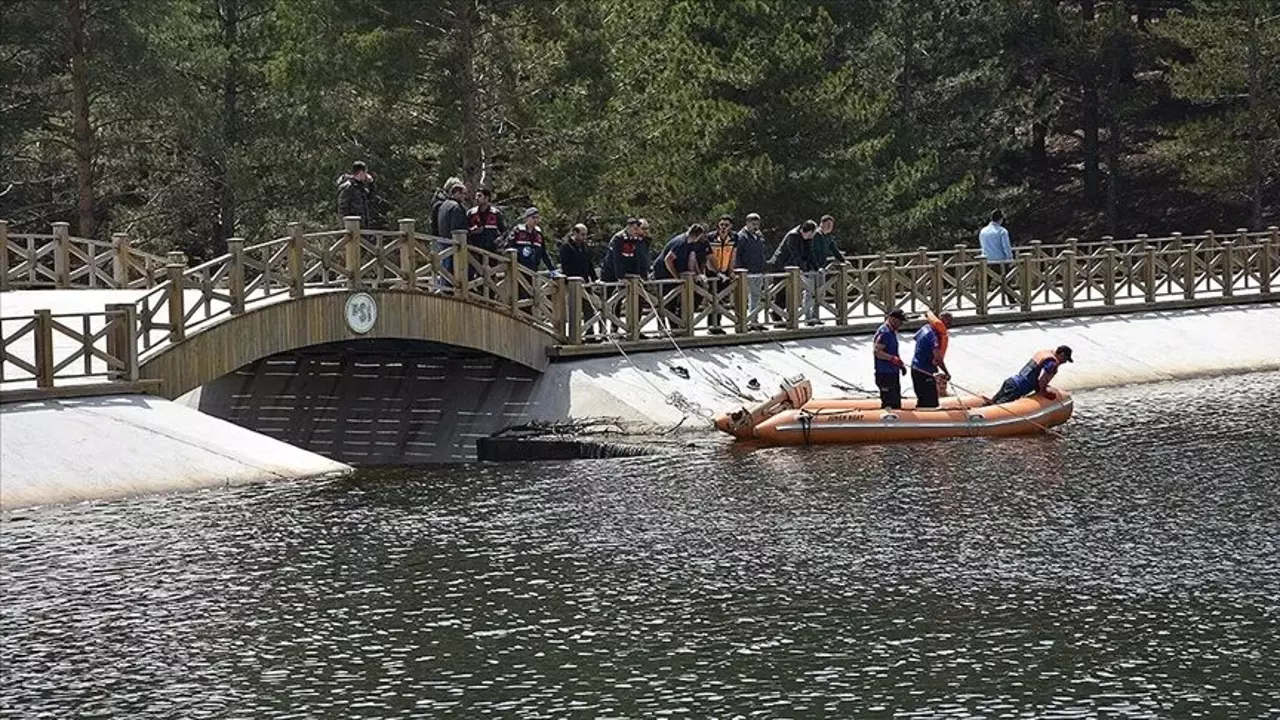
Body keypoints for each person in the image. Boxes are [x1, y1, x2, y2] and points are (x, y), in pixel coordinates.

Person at [768, 220, 820, 325]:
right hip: (781, 266)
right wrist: (803, 269)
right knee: (781, 292)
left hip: (791, 268)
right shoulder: (793, 236)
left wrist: (816, 268)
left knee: (789, 293)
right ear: (808, 231)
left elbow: (809, 253)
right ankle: (776, 314)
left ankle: (782, 315)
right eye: (812, 234)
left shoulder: (807, 238)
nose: (812, 237)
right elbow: (795, 254)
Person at [990, 345, 1074, 404]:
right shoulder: (1052, 363)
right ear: (1062, 355)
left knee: (993, 402)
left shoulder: (1044, 353)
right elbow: (1042, 381)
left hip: (1010, 382)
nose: (1064, 362)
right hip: (1017, 389)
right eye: (1065, 359)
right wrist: (1044, 392)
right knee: (1000, 407)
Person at [910, 311, 953, 408]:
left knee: (922, 398)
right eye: (948, 323)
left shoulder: (925, 328)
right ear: (941, 321)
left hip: (916, 367)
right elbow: (938, 358)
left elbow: (915, 337)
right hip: (924, 371)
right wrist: (946, 372)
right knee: (931, 402)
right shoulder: (933, 337)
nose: (950, 326)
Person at [735, 212, 767, 330]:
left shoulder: (759, 236)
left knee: (756, 298)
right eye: (753, 224)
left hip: (758, 271)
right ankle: (744, 322)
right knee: (744, 298)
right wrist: (740, 270)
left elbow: (762, 252)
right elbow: (737, 255)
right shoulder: (741, 236)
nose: (756, 227)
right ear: (747, 223)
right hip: (746, 273)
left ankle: (754, 321)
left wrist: (764, 267)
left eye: (757, 224)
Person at [978, 209, 1016, 307]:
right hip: (1000, 261)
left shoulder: (983, 231)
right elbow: (1006, 247)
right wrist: (1010, 259)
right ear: (1000, 219)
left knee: (986, 283)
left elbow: (982, 246)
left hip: (986, 260)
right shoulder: (1002, 231)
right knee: (1006, 281)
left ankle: (981, 302)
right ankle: (1012, 300)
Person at [705, 215, 737, 334]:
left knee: (722, 299)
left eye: (726, 225)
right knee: (712, 299)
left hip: (725, 272)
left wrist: (731, 271)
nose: (723, 227)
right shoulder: (711, 237)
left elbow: (733, 255)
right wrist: (713, 271)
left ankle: (718, 324)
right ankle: (711, 326)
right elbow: (707, 257)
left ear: (731, 227)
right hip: (712, 273)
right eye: (721, 224)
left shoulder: (734, 237)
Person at [872, 308, 908, 409]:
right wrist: (892, 358)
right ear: (892, 319)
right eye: (900, 321)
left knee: (896, 401)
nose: (901, 324)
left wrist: (900, 366)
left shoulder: (892, 332)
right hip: (885, 374)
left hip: (892, 372)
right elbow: (877, 352)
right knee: (890, 402)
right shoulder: (885, 332)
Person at [508, 207, 556, 274]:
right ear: (527, 218)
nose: (536, 220)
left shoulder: (539, 233)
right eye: (533, 218)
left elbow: (544, 253)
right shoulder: (518, 230)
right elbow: (508, 247)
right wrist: (520, 251)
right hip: (518, 269)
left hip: (533, 270)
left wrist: (552, 269)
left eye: (537, 218)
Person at [336, 161, 382, 228]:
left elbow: (371, 198)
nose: (366, 175)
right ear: (361, 172)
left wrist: (371, 184)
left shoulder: (361, 187)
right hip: (352, 227)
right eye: (365, 172)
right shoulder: (348, 187)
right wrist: (346, 226)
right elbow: (342, 209)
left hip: (363, 226)